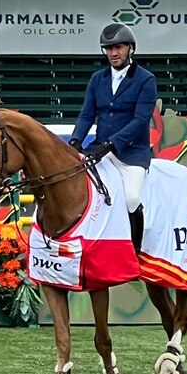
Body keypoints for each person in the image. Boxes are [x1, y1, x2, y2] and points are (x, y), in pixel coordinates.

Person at [69, 23, 157, 251]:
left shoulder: (146, 79)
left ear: (130, 48)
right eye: (108, 49)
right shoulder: (97, 79)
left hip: (132, 153)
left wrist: (111, 144)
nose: (113, 53)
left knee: (131, 198)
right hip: (99, 149)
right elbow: (87, 113)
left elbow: (140, 120)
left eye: (118, 47)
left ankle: (135, 250)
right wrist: (76, 140)